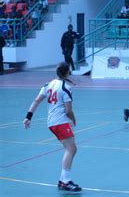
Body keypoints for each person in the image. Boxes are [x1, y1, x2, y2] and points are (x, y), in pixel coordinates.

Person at [23, 62, 81, 192]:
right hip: (61, 121)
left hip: (52, 122)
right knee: (71, 149)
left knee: (71, 148)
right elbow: (68, 110)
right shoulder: (66, 87)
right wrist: (74, 119)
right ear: (67, 72)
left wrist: (28, 117)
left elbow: (37, 100)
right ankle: (65, 182)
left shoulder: (48, 85)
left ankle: (63, 180)